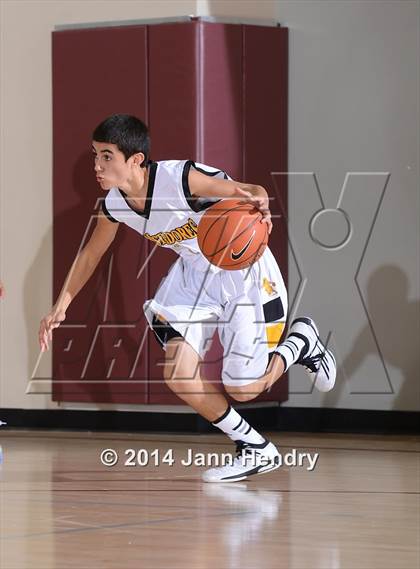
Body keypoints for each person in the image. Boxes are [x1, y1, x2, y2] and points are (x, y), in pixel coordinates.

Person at [39, 114, 336, 482]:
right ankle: (255, 447)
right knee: (179, 375)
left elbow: (251, 190)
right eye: (95, 155)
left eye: (106, 156)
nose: (96, 166)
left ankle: (301, 343)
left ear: (135, 160)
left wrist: (259, 205)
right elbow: (90, 254)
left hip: (245, 274)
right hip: (196, 274)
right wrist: (60, 307)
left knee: (244, 389)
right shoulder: (115, 204)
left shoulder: (180, 179)